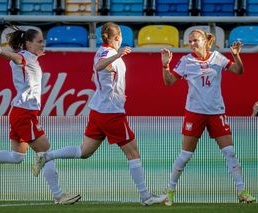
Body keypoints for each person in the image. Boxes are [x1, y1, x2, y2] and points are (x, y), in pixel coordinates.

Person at [31, 22, 165, 206]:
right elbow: (100, 67)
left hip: (99, 110)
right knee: (133, 153)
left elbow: (96, 76)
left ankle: (47, 156)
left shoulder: (102, 51)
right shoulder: (109, 53)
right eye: (120, 39)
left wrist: (116, 90)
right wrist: (117, 56)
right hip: (111, 113)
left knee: (84, 152)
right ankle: (145, 196)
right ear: (117, 38)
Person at [0, 27, 81, 205]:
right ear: (28, 43)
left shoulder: (31, 58)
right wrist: (1, 51)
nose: (43, 44)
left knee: (17, 157)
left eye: (43, 40)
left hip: (19, 112)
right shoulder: (24, 57)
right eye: (39, 41)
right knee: (45, 151)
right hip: (24, 114)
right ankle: (58, 196)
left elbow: (20, 59)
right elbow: (17, 58)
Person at [160, 29, 256, 206]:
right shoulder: (186, 61)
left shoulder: (217, 57)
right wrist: (165, 66)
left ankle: (242, 191)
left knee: (230, 153)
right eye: (190, 41)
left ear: (204, 41)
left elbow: (238, 71)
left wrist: (236, 56)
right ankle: (170, 191)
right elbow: (169, 82)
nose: (192, 44)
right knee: (186, 155)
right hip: (194, 113)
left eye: (195, 40)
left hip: (216, 112)